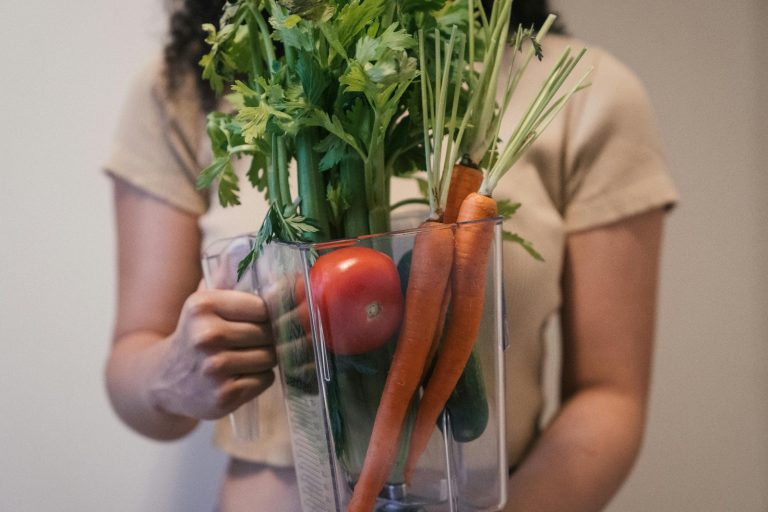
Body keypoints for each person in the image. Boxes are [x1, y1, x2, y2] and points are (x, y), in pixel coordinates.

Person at [103, 1, 678, 510]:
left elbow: (610, 394)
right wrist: (171, 376)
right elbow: (133, 370)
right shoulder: (181, 90)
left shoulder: (584, 87)